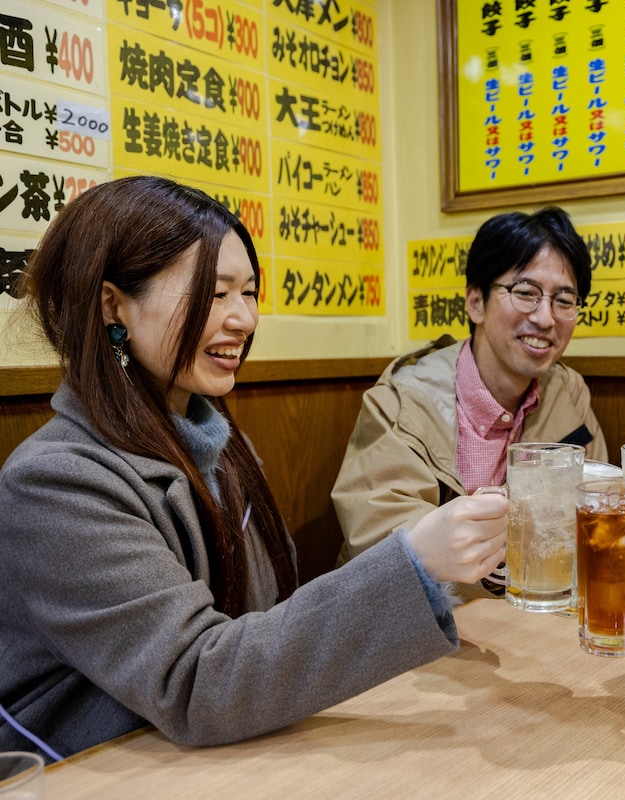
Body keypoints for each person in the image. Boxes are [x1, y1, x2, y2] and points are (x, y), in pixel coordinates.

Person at [0, 176, 508, 759]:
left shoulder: (219, 440)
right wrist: (416, 562)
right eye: (214, 294)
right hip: (88, 771)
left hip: (218, 755)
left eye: (250, 291)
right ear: (114, 305)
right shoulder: (55, 483)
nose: (242, 319)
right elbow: (195, 680)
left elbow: (268, 625)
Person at [332, 207, 607, 589]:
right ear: (475, 302)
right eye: (525, 293)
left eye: (564, 300)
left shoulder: (568, 394)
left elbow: (598, 514)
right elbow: (384, 545)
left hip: (534, 623)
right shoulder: (403, 402)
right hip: (425, 628)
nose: (546, 318)